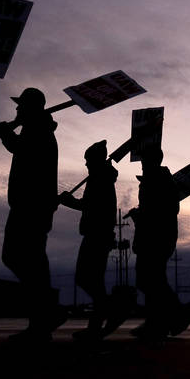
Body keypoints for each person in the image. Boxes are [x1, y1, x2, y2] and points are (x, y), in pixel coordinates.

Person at [0, 87, 65, 342]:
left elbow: (21, 150)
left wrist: (5, 133)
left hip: (31, 205)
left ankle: (45, 313)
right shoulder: (36, 129)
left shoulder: (39, 130)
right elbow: (20, 148)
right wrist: (9, 132)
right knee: (31, 259)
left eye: (20, 106)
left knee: (16, 256)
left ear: (29, 108)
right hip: (32, 205)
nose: (16, 110)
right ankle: (43, 319)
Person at [125, 146, 190, 341]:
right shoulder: (154, 180)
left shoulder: (159, 180)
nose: (143, 163)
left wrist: (140, 215)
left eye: (145, 159)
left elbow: (162, 211)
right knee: (150, 281)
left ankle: (171, 317)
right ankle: (159, 322)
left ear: (153, 161)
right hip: (152, 237)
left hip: (156, 238)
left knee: (150, 280)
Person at [58, 140, 120, 341]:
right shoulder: (100, 177)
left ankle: (109, 311)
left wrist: (70, 202)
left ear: (94, 160)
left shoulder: (100, 178)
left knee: (86, 278)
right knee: (93, 280)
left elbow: (92, 206)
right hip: (97, 233)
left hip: (97, 234)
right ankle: (97, 323)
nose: (86, 164)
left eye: (88, 160)